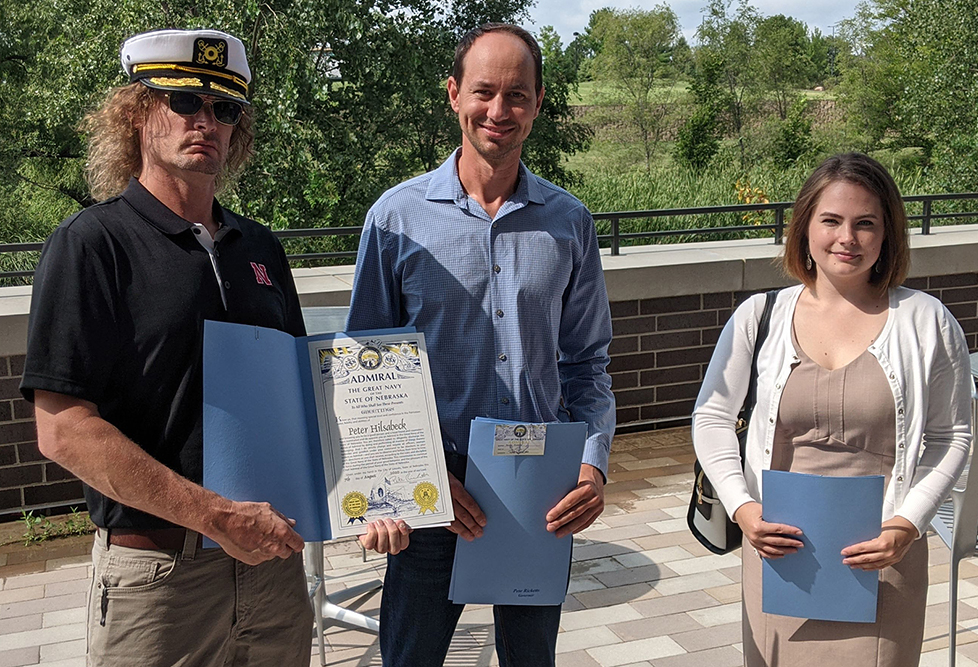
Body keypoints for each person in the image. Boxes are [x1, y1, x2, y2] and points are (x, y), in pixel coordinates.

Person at [19, 29, 316, 666]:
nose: (205, 121)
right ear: (135, 111)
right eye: (183, 102)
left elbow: (305, 398)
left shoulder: (261, 249)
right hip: (158, 578)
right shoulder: (91, 245)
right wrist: (213, 515)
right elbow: (64, 430)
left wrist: (378, 494)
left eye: (225, 109)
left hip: (272, 571)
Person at [345, 23, 616, 667]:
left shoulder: (569, 222)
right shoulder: (396, 219)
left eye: (517, 95)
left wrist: (594, 461)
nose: (499, 111)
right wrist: (406, 483)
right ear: (454, 95)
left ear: (539, 103)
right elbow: (367, 370)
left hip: (539, 489)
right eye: (484, 92)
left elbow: (586, 363)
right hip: (433, 495)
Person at [692, 152, 973, 666]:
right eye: (832, 221)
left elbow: (953, 434)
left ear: (888, 234)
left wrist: (907, 525)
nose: (848, 237)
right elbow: (711, 417)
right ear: (804, 228)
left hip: (883, 559)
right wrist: (742, 507)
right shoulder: (760, 317)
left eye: (866, 223)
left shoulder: (926, 321)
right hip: (779, 556)